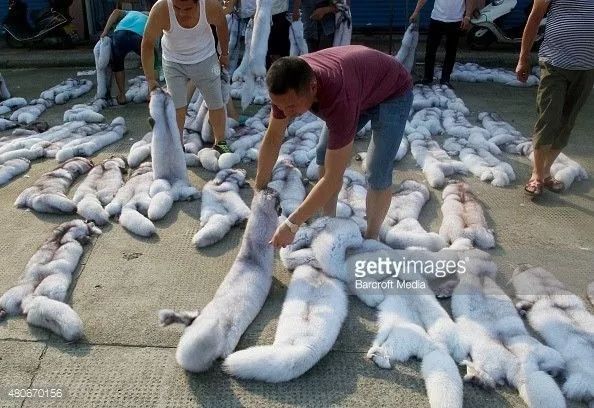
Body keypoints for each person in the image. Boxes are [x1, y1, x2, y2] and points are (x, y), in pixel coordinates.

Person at [255, 45, 413, 248]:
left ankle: (372, 239)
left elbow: (332, 178)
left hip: (392, 92)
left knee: (377, 169)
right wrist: (260, 188)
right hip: (360, 84)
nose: (285, 112)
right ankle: (328, 220)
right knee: (323, 152)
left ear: (312, 88)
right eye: (279, 106)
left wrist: (292, 224)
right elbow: (274, 136)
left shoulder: (339, 97)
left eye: (291, 106)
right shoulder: (289, 83)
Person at [516, 0, 594, 196]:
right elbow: (534, 18)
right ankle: (536, 175)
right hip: (554, 63)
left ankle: (545, 172)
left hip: (587, 67)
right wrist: (523, 58)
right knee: (548, 118)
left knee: (567, 122)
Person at [141, 0, 231, 152]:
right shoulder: (161, 8)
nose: (182, 13)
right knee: (177, 107)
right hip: (173, 62)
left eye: (188, 8)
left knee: (216, 102)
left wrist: (224, 53)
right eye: (177, 7)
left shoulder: (210, 6)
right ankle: (177, 146)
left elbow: (222, 25)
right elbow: (147, 43)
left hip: (207, 60)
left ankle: (221, 142)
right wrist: (150, 79)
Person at [409, 0, 474, 87]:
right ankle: (427, 78)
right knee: (430, 50)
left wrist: (467, 16)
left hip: (455, 20)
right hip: (437, 18)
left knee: (451, 51)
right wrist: (415, 12)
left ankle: (445, 80)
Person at [101, 9, 158, 104]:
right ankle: (150, 94)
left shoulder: (129, 13)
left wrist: (105, 31)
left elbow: (115, 12)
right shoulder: (150, 17)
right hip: (139, 36)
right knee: (153, 62)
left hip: (120, 34)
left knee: (117, 64)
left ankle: (122, 96)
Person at [267, 0, 301, 68]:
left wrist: (296, 10)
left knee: (280, 53)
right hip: (265, 17)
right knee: (269, 53)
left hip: (280, 15)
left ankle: (283, 73)